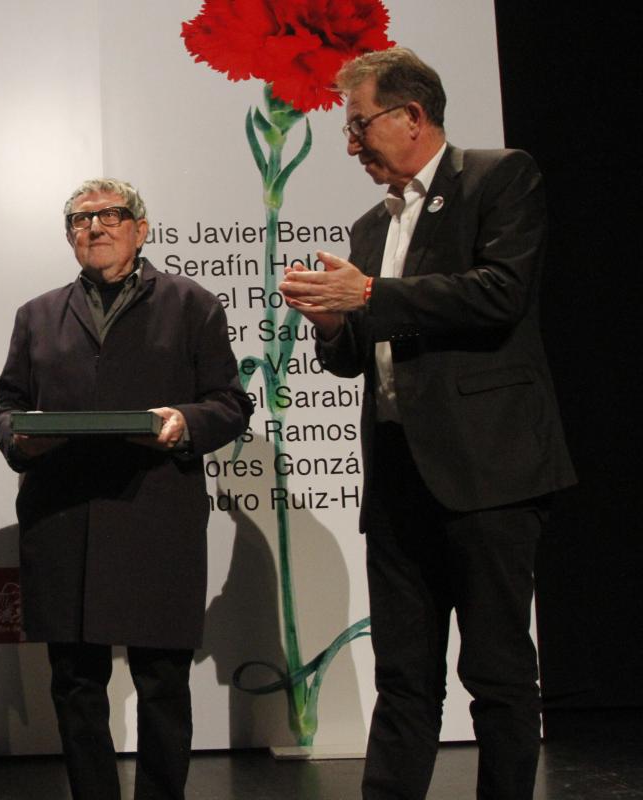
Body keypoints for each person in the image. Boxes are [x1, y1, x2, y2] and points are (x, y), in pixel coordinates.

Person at [279, 48, 576, 800]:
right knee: (404, 676)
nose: (349, 146)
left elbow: (500, 294)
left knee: (498, 671)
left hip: (489, 469)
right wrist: (330, 319)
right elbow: (354, 356)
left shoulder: (498, 177)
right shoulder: (367, 227)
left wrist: (370, 293)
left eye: (359, 126)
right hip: (400, 474)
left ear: (412, 116)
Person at [0, 178, 251, 800]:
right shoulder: (37, 314)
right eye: (80, 220)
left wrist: (186, 423)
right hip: (64, 518)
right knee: (76, 685)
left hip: (154, 513)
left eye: (110, 216)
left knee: (162, 681)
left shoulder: (192, 304)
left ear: (141, 228)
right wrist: (16, 438)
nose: (95, 227)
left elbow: (231, 404)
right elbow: (9, 406)